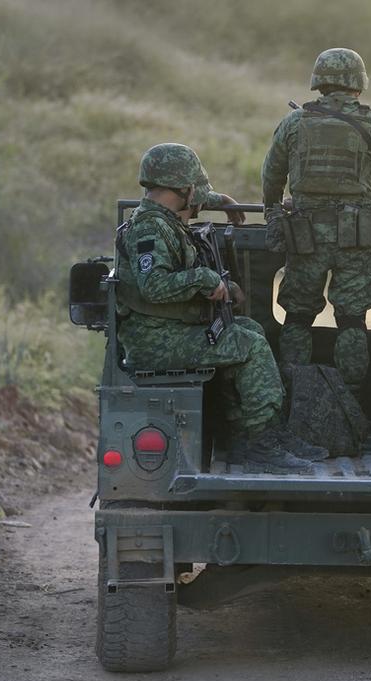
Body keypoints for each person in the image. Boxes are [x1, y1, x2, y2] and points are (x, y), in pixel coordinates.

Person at [117, 143, 324, 471]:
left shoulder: (161, 215)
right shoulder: (150, 229)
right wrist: (205, 279)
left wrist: (222, 201)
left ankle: (246, 435)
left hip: (169, 332)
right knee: (250, 344)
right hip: (156, 341)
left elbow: (188, 199)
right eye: (196, 193)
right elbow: (153, 286)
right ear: (184, 189)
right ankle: (261, 445)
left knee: (248, 329)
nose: (198, 202)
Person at [261, 47, 371, 386]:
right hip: (358, 237)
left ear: (318, 83)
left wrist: (272, 213)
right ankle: (352, 399)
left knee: (297, 317)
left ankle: (296, 393)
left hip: (304, 236)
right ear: (359, 84)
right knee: (352, 321)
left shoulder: (294, 123)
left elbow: (272, 176)